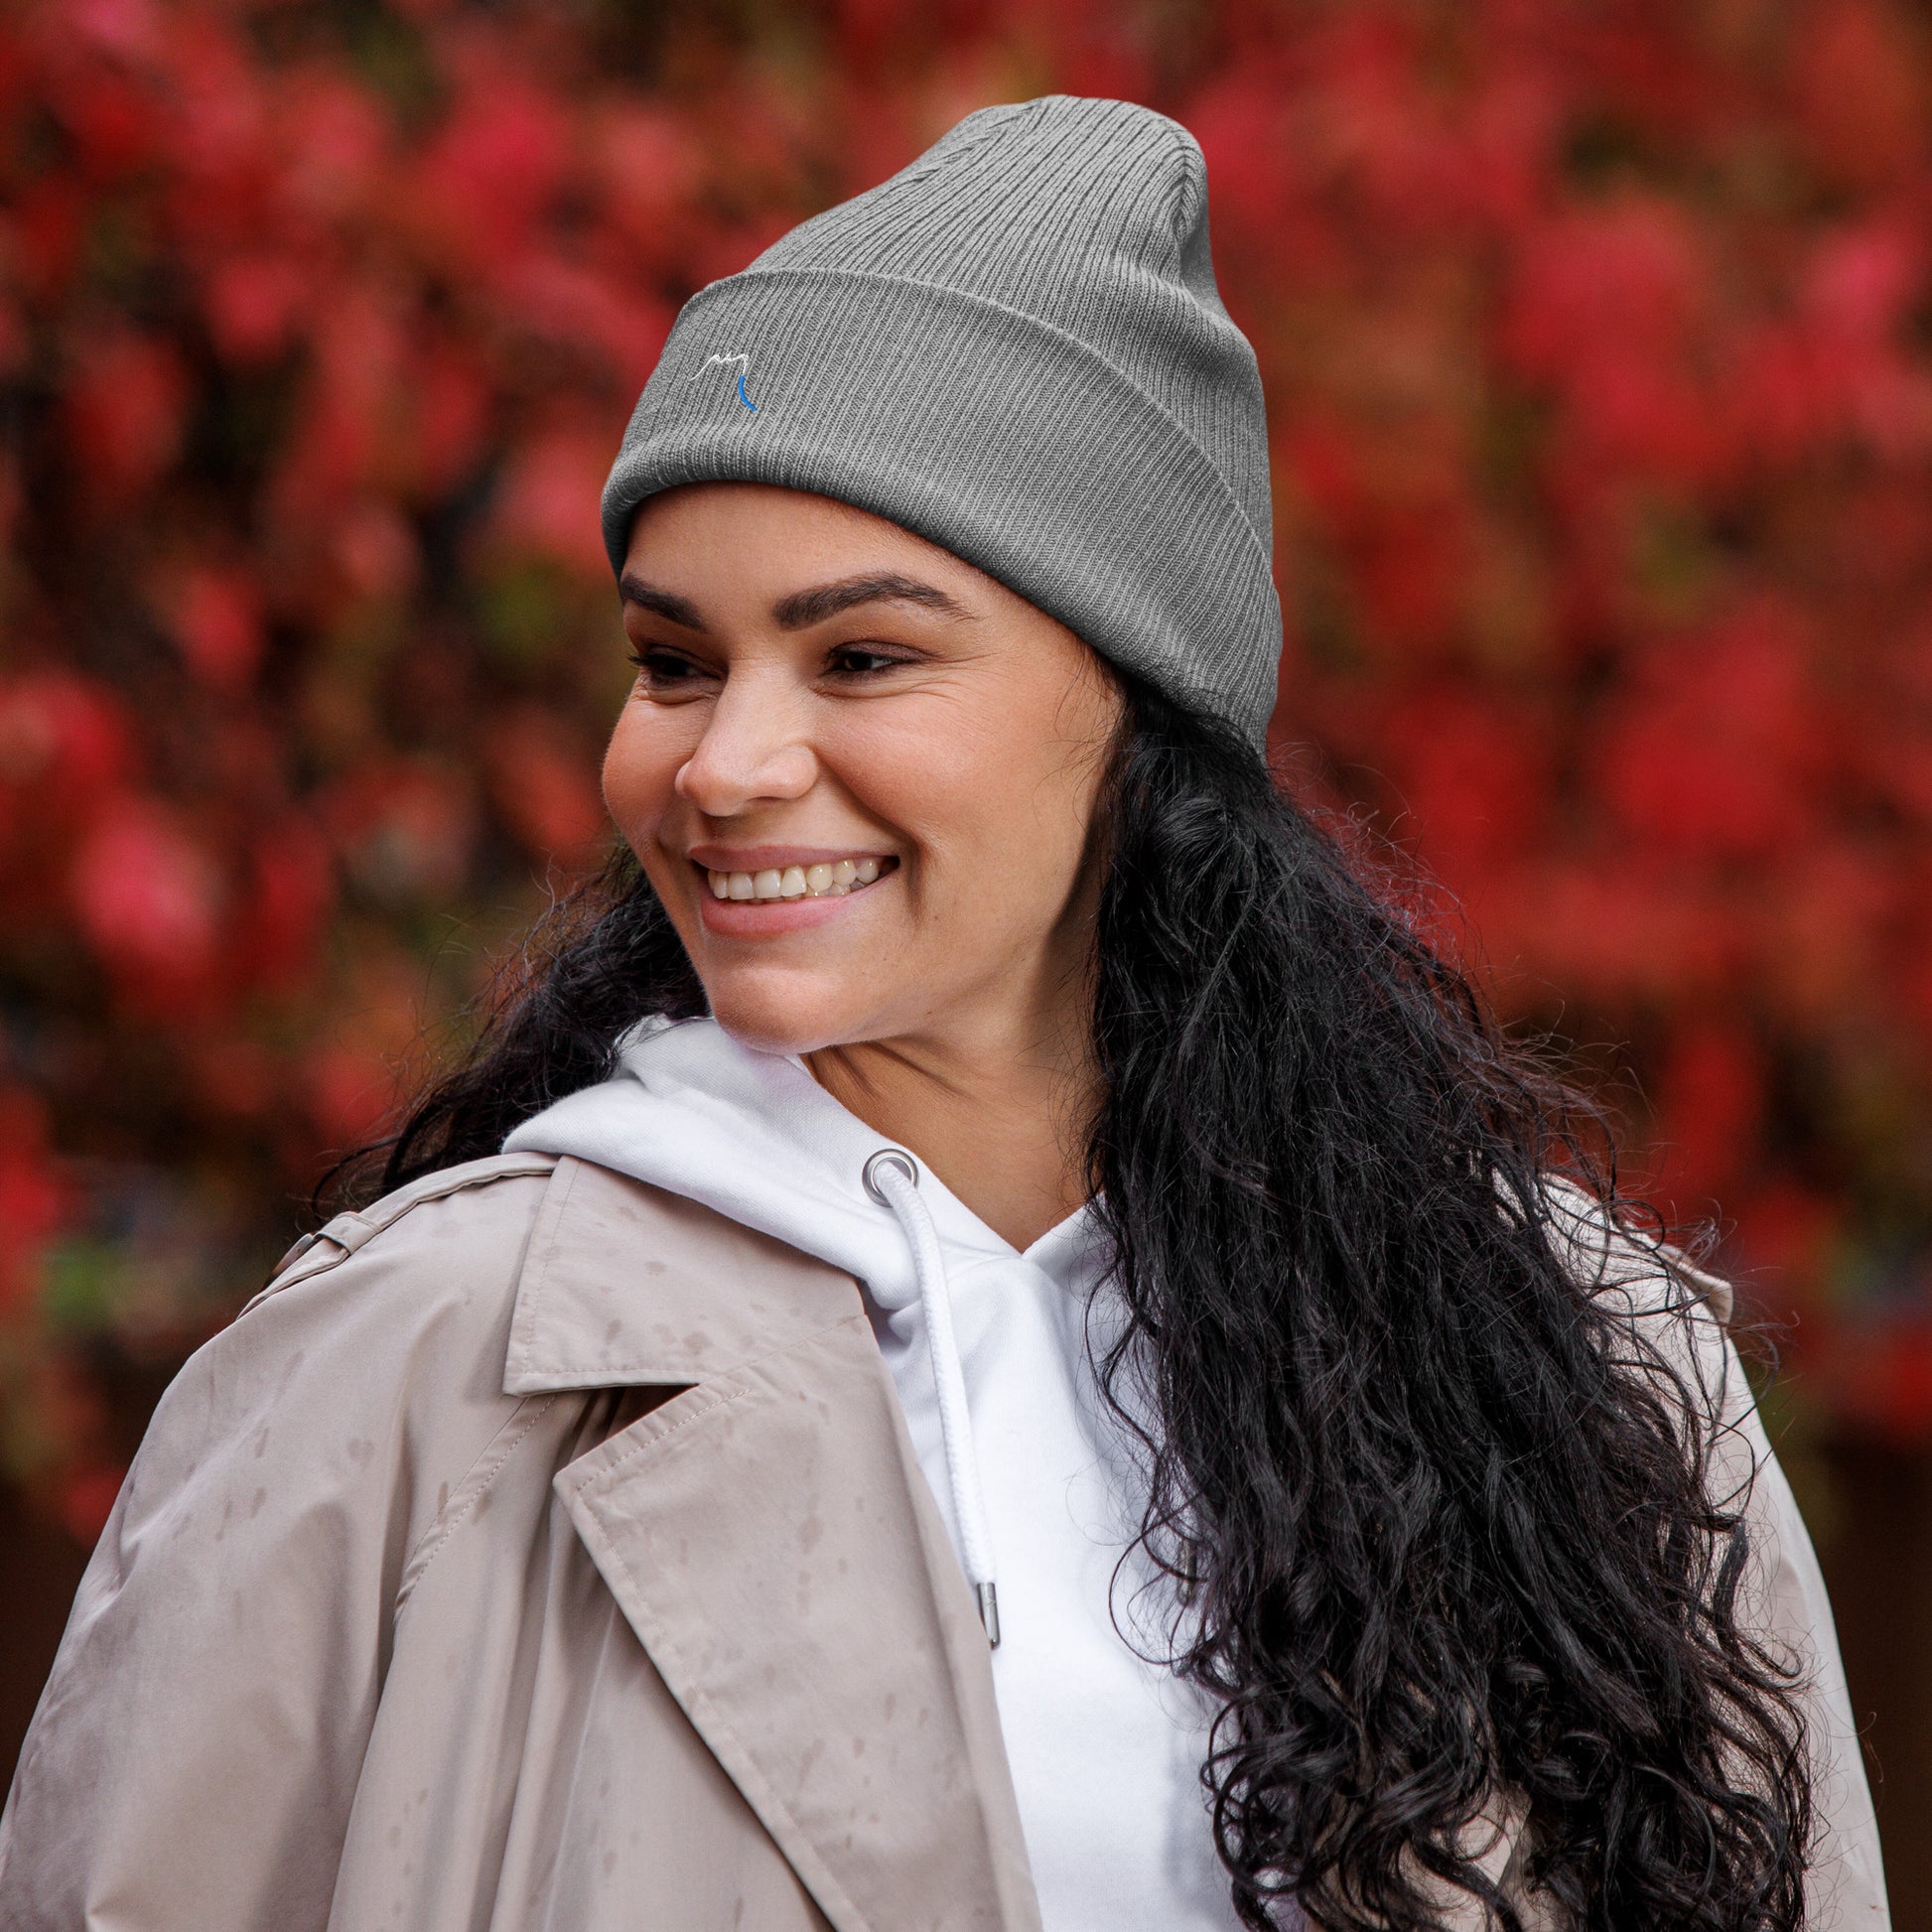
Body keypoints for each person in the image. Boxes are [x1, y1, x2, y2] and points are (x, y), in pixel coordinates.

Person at [0, 95, 1888, 1932]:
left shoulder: (1577, 1373)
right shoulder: (407, 1369)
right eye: (673, 662)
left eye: (861, 655)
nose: (724, 761)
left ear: (1134, 713)